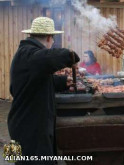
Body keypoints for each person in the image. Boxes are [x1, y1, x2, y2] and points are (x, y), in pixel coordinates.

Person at [7, 17, 80, 164]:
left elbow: (38, 81)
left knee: (18, 161)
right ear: (48, 37)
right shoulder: (29, 54)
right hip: (29, 127)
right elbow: (49, 58)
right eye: (53, 39)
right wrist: (72, 56)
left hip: (18, 122)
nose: (52, 43)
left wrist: (64, 82)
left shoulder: (25, 54)